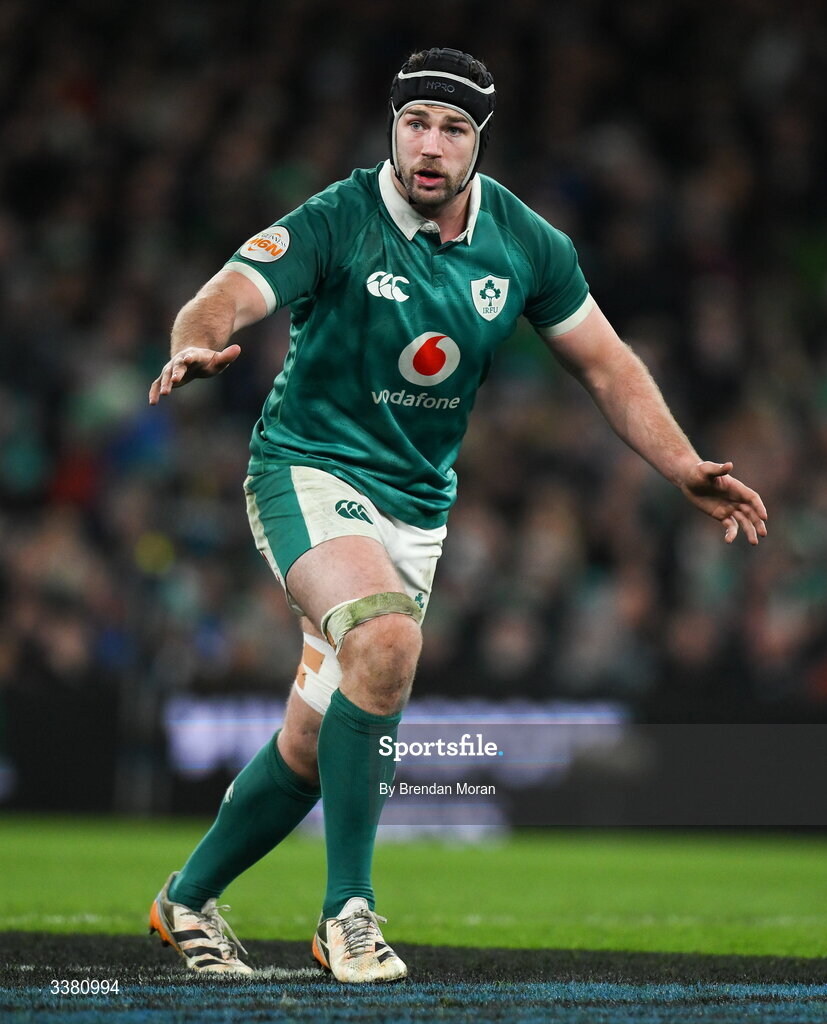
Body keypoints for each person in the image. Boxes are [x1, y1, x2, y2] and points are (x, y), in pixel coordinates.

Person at [146, 47, 767, 983]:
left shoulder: (526, 244)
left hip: (416, 509)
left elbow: (605, 364)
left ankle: (186, 899)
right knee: (387, 639)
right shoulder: (339, 217)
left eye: (452, 128)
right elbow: (229, 293)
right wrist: (196, 342)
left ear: (481, 142)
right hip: (307, 470)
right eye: (414, 123)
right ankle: (348, 915)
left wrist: (682, 464)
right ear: (392, 129)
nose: (429, 146)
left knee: (312, 744)